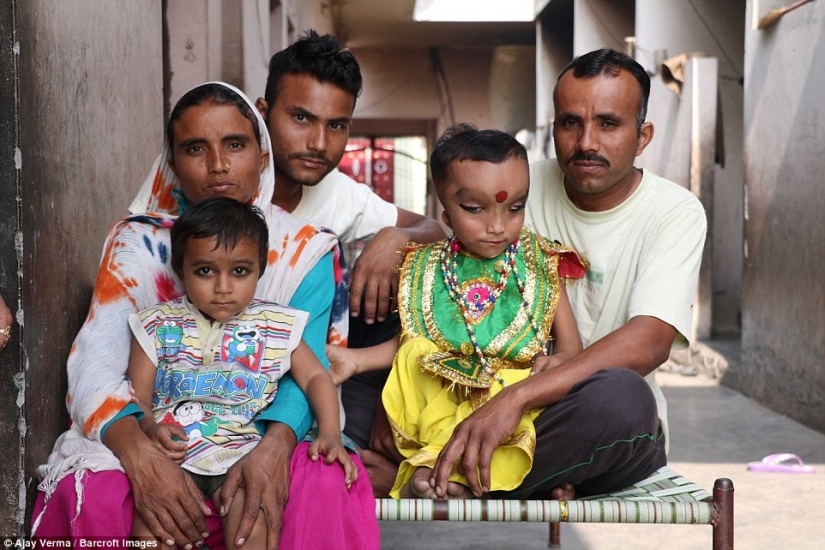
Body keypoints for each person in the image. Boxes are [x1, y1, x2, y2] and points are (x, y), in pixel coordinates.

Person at [348, 48, 708, 501]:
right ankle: (495, 474)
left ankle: (424, 473)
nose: (586, 142)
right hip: (462, 396)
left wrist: (517, 399)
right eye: (570, 122)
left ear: (643, 136)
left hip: (568, 415)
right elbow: (446, 257)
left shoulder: (674, 211)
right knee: (371, 314)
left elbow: (649, 342)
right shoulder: (518, 182)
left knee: (626, 401)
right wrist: (394, 239)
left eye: (609, 124)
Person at [33, 82, 378, 550]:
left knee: (317, 482)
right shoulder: (138, 243)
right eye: (196, 148)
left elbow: (308, 372)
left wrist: (270, 448)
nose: (217, 164)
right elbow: (97, 367)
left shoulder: (305, 247)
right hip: (169, 429)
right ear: (173, 162)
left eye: (235, 145)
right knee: (100, 491)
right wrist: (141, 451)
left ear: (261, 155)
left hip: (268, 425)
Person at [328, 124, 585, 499]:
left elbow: (572, 348)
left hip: (510, 395)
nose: (497, 226)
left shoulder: (541, 263)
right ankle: (439, 469)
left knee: (542, 400)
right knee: (417, 356)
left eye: (514, 207)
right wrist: (355, 360)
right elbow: (410, 344)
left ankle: (434, 471)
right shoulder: (426, 266)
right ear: (446, 213)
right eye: (475, 209)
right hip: (439, 396)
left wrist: (557, 360)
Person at [246, 29, 445, 484]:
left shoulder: (339, 193)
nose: (319, 141)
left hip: (317, 370)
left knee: (417, 284)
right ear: (262, 112)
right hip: (220, 368)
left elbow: (434, 230)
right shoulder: (222, 177)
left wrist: (394, 238)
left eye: (336, 125)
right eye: (301, 117)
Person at [128, 197, 357, 549]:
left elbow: (315, 377)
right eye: (205, 270)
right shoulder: (157, 324)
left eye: (239, 271)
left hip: (243, 456)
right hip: (171, 457)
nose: (223, 287)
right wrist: (149, 427)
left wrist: (330, 432)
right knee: (152, 528)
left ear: (260, 269)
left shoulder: (277, 324)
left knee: (252, 525)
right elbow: (138, 396)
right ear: (181, 268)